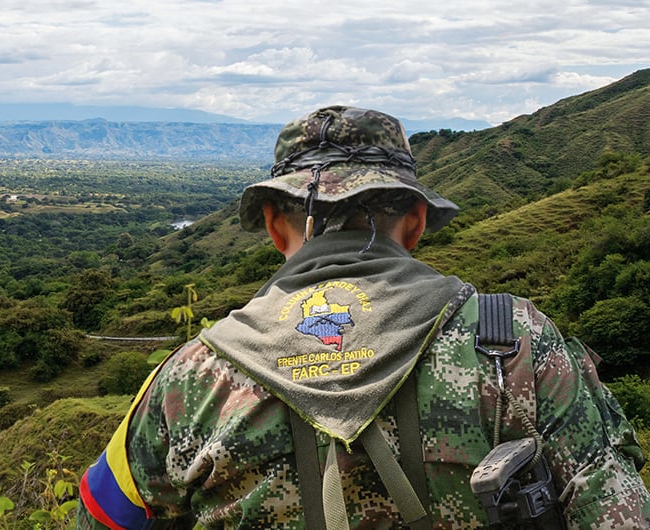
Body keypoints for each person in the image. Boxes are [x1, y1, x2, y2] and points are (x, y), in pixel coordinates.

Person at [76, 106, 650, 529]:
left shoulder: (193, 373)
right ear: (416, 222)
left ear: (273, 225)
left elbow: (103, 515)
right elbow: (617, 511)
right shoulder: (516, 341)